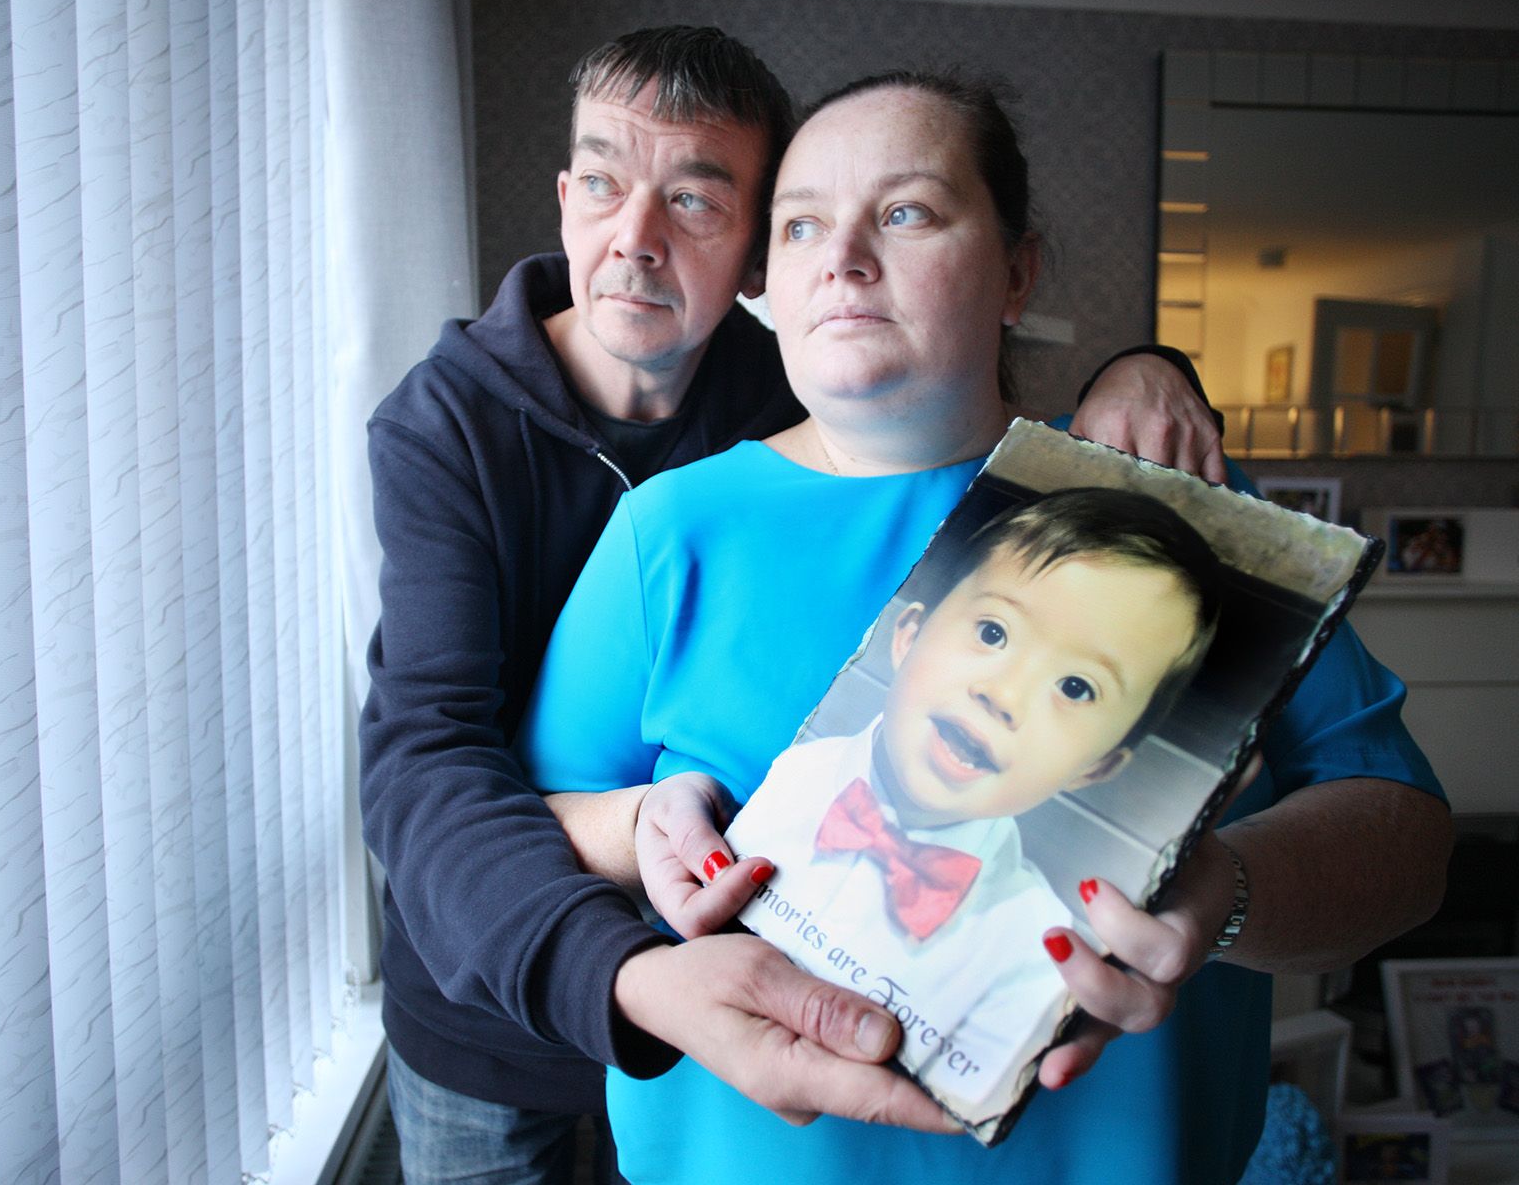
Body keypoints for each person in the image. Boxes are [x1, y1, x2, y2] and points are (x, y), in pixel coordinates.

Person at [516, 69, 1452, 1183]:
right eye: (804, 221)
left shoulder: (1172, 513)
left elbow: (1408, 840)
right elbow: (534, 823)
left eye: (906, 212)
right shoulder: (666, 530)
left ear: (1017, 271)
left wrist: (1221, 894)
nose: (845, 257)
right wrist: (638, 822)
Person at [360, 25, 1229, 1183]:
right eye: (605, 186)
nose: (635, 241)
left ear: (753, 264)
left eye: (700, 203)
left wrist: (1147, 364)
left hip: (743, 1021)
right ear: (566, 196)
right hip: (496, 965)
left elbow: (960, 373)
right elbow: (429, 757)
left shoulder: (814, 369)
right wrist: (629, 897)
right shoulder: (448, 427)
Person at [726, 487, 1223, 1126]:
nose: (1004, 694)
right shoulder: (779, 783)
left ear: (1095, 767)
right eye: (992, 632)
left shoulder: (1035, 947)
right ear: (907, 634)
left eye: (1075, 687)